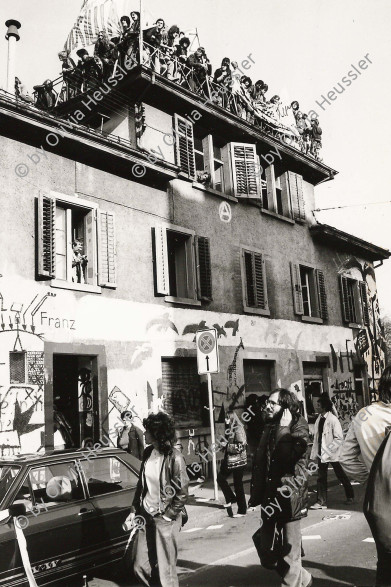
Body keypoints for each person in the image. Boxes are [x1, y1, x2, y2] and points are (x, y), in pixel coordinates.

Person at [249, 388, 312, 587]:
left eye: (272, 403)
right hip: (270, 495)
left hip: (290, 494)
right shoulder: (268, 425)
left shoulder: (298, 426)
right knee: (267, 552)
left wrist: (284, 429)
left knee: (290, 553)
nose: (267, 406)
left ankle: (294, 580)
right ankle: (305, 579)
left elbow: (288, 459)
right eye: (267, 402)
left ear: (285, 408)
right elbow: (262, 464)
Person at [340, 366, 391, 586]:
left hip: (380, 500)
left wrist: (371, 479)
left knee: (385, 561)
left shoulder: (363, 415)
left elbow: (345, 456)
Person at [130, 412, 189, 587]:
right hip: (146, 515)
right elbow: (142, 487)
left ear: (156, 434)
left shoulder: (175, 457)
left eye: (147, 430)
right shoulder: (148, 452)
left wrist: (168, 516)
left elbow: (182, 491)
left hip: (165, 518)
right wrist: (134, 510)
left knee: (166, 572)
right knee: (139, 566)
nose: (144, 433)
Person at [309, 393, 354, 509]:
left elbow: (339, 438)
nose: (316, 407)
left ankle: (350, 495)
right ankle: (321, 502)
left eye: (318, 405)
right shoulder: (319, 419)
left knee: (340, 475)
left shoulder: (333, 420)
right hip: (321, 453)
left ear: (324, 407)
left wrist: (329, 450)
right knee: (321, 477)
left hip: (332, 453)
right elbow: (318, 437)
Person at [217, 409, 247, 517]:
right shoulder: (231, 428)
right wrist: (222, 446)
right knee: (221, 478)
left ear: (232, 418)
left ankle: (242, 510)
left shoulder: (238, 429)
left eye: (227, 418)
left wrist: (227, 446)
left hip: (238, 461)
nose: (225, 420)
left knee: (238, 484)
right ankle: (231, 498)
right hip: (232, 460)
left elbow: (241, 447)